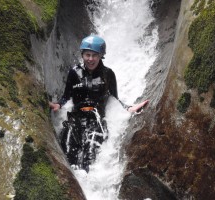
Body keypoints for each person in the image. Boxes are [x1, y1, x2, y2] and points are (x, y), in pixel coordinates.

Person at [49, 35, 148, 172]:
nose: (90, 59)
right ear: (82, 55)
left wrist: (129, 108)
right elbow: (66, 96)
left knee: (89, 159)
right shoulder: (74, 73)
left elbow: (115, 99)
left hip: (96, 122)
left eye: (94, 55)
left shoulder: (108, 74)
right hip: (76, 118)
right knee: (68, 153)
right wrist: (58, 105)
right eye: (87, 55)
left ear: (101, 55)